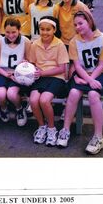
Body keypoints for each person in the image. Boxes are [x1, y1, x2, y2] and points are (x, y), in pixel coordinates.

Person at [56, 11, 103, 155]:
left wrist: (90, 80)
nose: (77, 27)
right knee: (74, 92)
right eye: (75, 25)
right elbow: (77, 66)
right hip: (83, 73)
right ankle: (65, 130)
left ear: (89, 22)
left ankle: (98, 137)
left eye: (80, 23)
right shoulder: (74, 41)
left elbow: (101, 65)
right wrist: (87, 79)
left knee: (93, 94)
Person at [29, 16, 69, 146]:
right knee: (33, 100)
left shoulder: (59, 44)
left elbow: (62, 68)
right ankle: (42, 126)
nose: (45, 32)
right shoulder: (35, 44)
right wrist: (27, 66)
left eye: (48, 29)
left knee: (44, 100)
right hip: (40, 77)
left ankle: (52, 129)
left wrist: (42, 72)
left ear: (54, 30)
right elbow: (32, 62)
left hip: (57, 78)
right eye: (42, 29)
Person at [54, 0, 91, 120]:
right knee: (62, 74)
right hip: (63, 45)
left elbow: (91, 23)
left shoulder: (80, 6)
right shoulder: (58, 8)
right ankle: (61, 101)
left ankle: (69, 106)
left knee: (72, 74)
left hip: (77, 45)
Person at [0, 17, 31, 126]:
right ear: (4, 31)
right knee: (1, 95)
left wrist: (25, 63)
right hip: (3, 73)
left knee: (11, 94)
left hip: (19, 74)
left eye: (14, 32)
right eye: (7, 32)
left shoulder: (25, 41)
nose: (10, 35)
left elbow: (30, 61)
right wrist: (6, 75)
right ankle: (4, 109)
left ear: (19, 30)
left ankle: (19, 109)